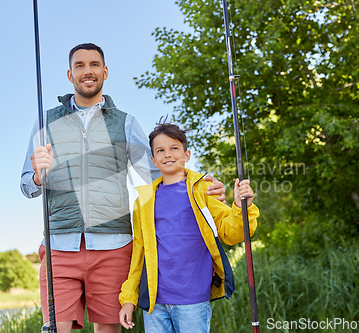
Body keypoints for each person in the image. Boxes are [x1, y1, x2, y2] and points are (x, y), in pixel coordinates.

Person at [20, 43, 227, 333]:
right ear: (70, 74)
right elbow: (27, 184)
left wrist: (202, 186)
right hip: (59, 245)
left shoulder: (126, 123)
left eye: (94, 65)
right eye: (79, 66)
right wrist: (39, 177)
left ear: (104, 72)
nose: (87, 71)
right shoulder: (47, 121)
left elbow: (162, 172)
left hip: (113, 245)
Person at [118, 121, 260, 333]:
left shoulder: (203, 190)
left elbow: (230, 233)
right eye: (160, 150)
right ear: (153, 160)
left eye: (174, 148)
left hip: (193, 300)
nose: (168, 154)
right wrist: (129, 297)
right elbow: (139, 252)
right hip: (155, 304)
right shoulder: (144, 201)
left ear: (187, 155)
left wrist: (241, 207)